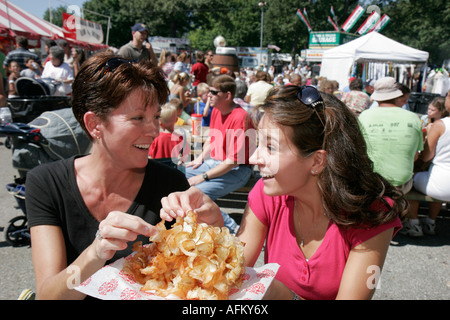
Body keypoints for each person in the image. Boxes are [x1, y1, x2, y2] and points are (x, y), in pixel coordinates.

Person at [160, 85, 405, 300]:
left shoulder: (371, 214)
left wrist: (286, 297)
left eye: (270, 147)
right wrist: (214, 227)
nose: (255, 158)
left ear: (317, 161)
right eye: (259, 144)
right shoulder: (266, 194)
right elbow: (231, 273)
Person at [26, 52, 190, 299]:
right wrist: (96, 252)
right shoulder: (47, 183)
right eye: (138, 118)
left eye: (156, 116)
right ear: (94, 124)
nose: (154, 130)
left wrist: (212, 227)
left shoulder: (171, 185)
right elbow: (49, 295)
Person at [185, 75, 255, 233]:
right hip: (215, 164)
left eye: (213, 92)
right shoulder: (216, 111)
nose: (208, 95)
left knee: (199, 194)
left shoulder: (241, 117)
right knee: (178, 175)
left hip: (238, 170)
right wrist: (199, 158)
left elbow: (233, 162)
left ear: (227, 95)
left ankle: (233, 229)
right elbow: (212, 138)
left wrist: (202, 177)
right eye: (208, 91)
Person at [359, 77, 423, 194]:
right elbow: (415, 156)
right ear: (397, 97)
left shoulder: (364, 116)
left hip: (371, 179)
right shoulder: (413, 117)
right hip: (400, 181)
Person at [402, 90, 450, 237]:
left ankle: (414, 224)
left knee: (408, 181)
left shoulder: (441, 125)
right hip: (442, 185)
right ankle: (431, 221)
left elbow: (427, 156)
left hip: (441, 184)